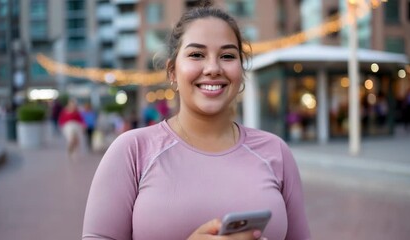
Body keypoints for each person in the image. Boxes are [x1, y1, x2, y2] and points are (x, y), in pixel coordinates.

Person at [82, 3, 310, 240]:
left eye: (228, 56)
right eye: (196, 55)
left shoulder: (276, 152)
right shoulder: (132, 151)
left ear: (240, 71)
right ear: (172, 72)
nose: (213, 68)